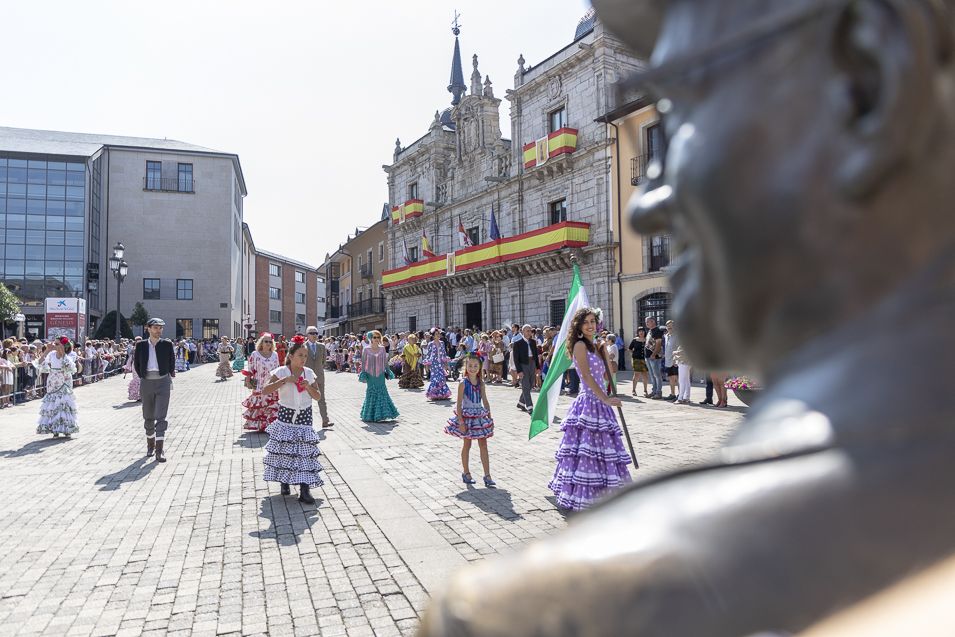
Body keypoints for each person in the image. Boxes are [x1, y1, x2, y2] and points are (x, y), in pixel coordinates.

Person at [548, 308, 632, 510]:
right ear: (578, 326)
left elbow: (605, 377)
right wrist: (605, 398)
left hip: (602, 403)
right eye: (585, 322)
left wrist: (607, 359)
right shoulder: (579, 346)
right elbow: (585, 376)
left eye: (593, 321)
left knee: (604, 451)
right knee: (586, 452)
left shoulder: (597, 346)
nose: (590, 325)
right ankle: (585, 497)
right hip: (588, 403)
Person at [260, 335, 324, 504]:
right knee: (285, 451)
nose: (303, 359)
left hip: (304, 417)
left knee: (304, 453)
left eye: (305, 356)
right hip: (286, 417)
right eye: (300, 355)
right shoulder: (281, 371)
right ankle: (284, 481)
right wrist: (285, 380)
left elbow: (318, 397)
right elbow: (265, 390)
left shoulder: (309, 373)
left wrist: (308, 387)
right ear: (290, 356)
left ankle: (305, 489)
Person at [444, 354, 495, 487]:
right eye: (470, 366)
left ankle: (487, 475)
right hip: (467, 417)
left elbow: (485, 400)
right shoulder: (463, 383)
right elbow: (459, 403)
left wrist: (489, 417)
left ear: (480, 368)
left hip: (479, 416)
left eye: (476, 366)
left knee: (483, 444)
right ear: (466, 367)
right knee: (467, 444)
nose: (473, 368)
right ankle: (466, 472)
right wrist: (461, 421)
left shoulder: (481, 383)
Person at [133, 318, 176, 462]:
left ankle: (159, 450)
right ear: (149, 329)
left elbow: (172, 361)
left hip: (163, 381)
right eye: (156, 328)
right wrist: (143, 376)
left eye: (161, 328)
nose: (159, 330)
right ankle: (150, 446)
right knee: (148, 415)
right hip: (147, 382)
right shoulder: (141, 345)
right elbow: (137, 363)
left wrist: (168, 374)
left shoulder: (167, 344)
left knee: (161, 416)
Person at [35, 337, 79, 438]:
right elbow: (40, 362)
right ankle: (54, 429)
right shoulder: (51, 355)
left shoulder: (69, 356)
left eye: (57, 344)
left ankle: (67, 428)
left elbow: (70, 367)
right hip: (52, 380)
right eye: (55, 343)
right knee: (53, 403)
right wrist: (47, 350)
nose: (55, 345)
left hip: (64, 380)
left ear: (64, 345)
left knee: (64, 402)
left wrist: (62, 352)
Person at [242, 333, 280, 432]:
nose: (268, 343)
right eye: (266, 341)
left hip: (271, 384)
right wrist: (248, 379)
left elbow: (278, 369)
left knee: (271, 406)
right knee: (260, 405)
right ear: (261, 343)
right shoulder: (255, 354)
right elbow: (250, 368)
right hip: (259, 384)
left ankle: (270, 426)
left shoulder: (275, 355)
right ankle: (261, 426)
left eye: (270, 342)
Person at [359, 331, 399, 422]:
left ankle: (383, 414)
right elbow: (364, 363)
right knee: (371, 392)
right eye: (374, 337)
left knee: (382, 392)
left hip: (380, 375)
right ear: (371, 339)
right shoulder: (366, 349)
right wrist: (363, 374)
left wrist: (388, 371)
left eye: (378, 337)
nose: (377, 339)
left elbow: (385, 362)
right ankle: (371, 415)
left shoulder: (382, 349)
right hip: (370, 376)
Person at [303, 326, 333, 428]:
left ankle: (325, 420)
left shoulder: (322, 346)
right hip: (307, 377)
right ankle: (306, 422)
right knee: (306, 399)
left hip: (319, 376)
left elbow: (323, 361)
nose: (315, 335)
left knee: (322, 398)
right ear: (307, 335)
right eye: (312, 333)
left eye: (316, 333)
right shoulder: (303, 346)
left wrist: (319, 369)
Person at [512, 324, 539, 413]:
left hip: (532, 364)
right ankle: (530, 406)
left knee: (530, 385)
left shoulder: (533, 342)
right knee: (525, 385)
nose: (529, 332)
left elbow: (536, 355)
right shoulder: (517, 343)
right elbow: (516, 359)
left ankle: (521, 402)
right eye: (527, 331)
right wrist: (519, 371)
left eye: (530, 331)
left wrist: (537, 367)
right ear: (522, 332)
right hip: (523, 365)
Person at [424, 329, 452, 401]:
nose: (438, 335)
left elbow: (444, 353)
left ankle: (442, 393)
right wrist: (426, 365)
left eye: (439, 334)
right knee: (435, 378)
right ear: (433, 336)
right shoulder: (430, 344)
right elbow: (428, 355)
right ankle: (434, 394)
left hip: (440, 363)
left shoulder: (442, 343)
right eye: (436, 334)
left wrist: (446, 364)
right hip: (434, 364)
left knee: (442, 378)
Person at [644, 316, 665, 398]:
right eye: (646, 322)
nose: (646, 323)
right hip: (648, 357)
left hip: (654, 357)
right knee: (652, 375)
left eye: (647, 322)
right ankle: (654, 391)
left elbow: (658, 344)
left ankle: (658, 392)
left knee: (657, 375)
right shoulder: (650, 331)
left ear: (653, 321)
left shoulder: (657, 331)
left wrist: (653, 354)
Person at [629, 327, 649, 397]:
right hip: (636, 359)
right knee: (636, 375)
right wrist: (633, 357)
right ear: (638, 332)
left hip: (645, 359)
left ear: (644, 332)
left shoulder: (647, 339)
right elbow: (630, 349)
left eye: (642, 331)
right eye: (640, 331)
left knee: (645, 375)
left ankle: (645, 390)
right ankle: (633, 390)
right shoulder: (635, 340)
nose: (641, 333)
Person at [124, 336, 142, 401]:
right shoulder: (134, 349)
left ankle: (142, 395)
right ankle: (138, 395)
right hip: (135, 365)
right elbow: (130, 358)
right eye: (137, 341)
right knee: (137, 379)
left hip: (142, 365)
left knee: (142, 380)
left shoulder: (145, 348)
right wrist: (127, 367)